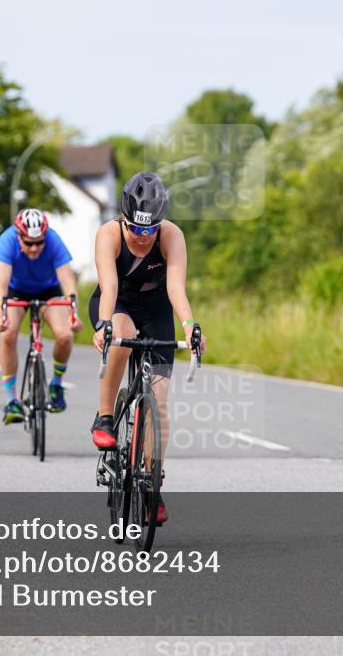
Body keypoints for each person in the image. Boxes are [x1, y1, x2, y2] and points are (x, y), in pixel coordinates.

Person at [89, 172, 206, 525]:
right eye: (136, 230)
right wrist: (105, 324)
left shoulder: (172, 236)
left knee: (161, 397)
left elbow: (176, 289)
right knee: (122, 334)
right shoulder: (108, 235)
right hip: (118, 304)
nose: (143, 237)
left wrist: (190, 327)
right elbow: (108, 287)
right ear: (123, 219)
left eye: (150, 230)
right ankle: (106, 416)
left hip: (156, 308)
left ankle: (152, 485)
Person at [0, 208, 82, 424]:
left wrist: (74, 313)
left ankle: (56, 385)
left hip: (48, 290)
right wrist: (1, 316)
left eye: (38, 243)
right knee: (8, 334)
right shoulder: (6, 240)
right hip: (16, 290)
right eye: (28, 243)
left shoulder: (53, 240)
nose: (34, 248)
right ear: (18, 236)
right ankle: (12, 400)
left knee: (65, 335)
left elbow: (68, 281)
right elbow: (1, 286)